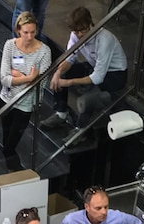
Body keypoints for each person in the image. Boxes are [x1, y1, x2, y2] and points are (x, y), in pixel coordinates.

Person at [41, 6, 128, 138]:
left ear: (90, 23)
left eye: (83, 30)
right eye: (76, 31)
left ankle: (79, 130)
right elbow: (69, 58)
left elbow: (98, 77)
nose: (80, 34)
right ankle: (61, 113)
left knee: (88, 97)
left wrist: (68, 82)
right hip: (95, 66)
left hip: (115, 74)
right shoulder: (75, 35)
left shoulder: (104, 40)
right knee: (62, 74)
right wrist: (58, 74)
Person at [0, 11, 51, 171]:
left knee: (9, 146)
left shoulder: (44, 51)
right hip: (6, 99)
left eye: (32, 32)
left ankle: (16, 174)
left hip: (26, 104)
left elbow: (40, 85)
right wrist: (28, 78)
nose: (29, 36)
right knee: (6, 142)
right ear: (18, 31)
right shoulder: (9, 45)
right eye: (25, 32)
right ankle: (11, 172)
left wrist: (17, 75)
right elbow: (4, 79)